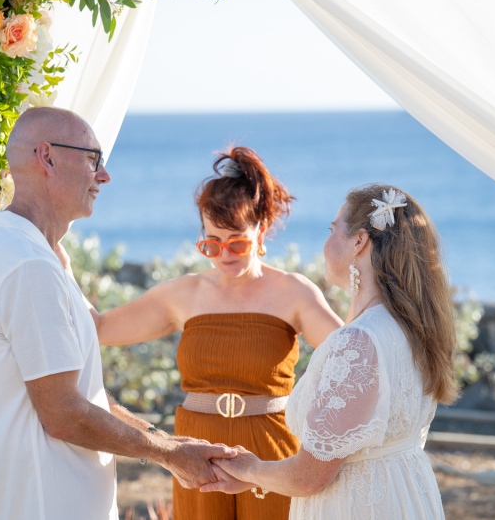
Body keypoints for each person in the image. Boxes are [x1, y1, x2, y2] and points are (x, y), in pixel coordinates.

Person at [0, 107, 236, 520]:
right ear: (47, 157)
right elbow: (64, 414)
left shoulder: (22, 252)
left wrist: (173, 445)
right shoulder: (27, 266)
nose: (104, 175)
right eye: (93, 158)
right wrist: (168, 456)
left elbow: (83, 392)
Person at [89, 147, 343, 519]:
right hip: (196, 447)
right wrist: (55, 261)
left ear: (260, 230)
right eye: (211, 243)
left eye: (236, 242)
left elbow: (353, 355)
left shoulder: (294, 292)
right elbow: (100, 327)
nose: (224, 254)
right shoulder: (184, 294)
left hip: (270, 445)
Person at [201, 184, 459, 519]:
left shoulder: (358, 342)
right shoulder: (415, 329)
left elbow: (310, 476)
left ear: (358, 242)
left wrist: (251, 470)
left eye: (332, 229)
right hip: (407, 496)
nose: (325, 243)